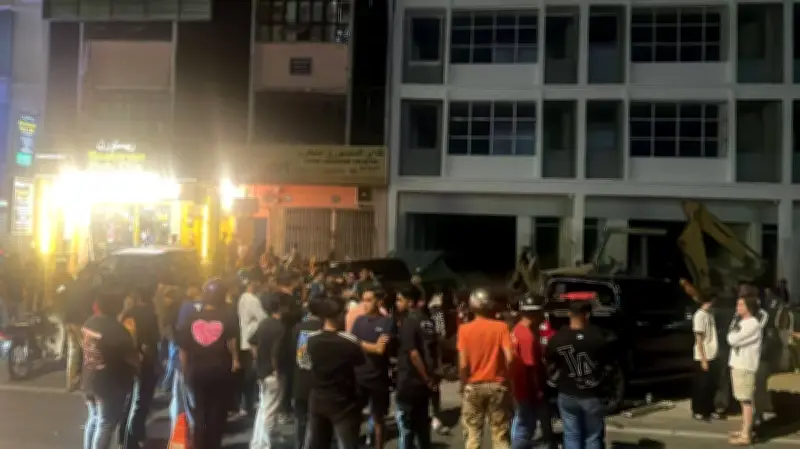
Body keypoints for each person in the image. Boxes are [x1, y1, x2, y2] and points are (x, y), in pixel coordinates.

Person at [305, 298, 388, 449]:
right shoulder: (349, 341)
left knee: (316, 443)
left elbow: (305, 363)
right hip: (343, 402)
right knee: (347, 443)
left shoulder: (310, 339)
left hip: (317, 399)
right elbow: (360, 361)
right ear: (338, 316)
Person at [177, 277, 240, 449]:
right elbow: (232, 342)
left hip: (197, 371)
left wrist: (185, 370)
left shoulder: (191, 318)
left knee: (200, 412)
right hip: (220, 371)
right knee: (217, 414)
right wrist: (235, 360)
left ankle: (200, 444)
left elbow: (183, 348)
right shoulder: (228, 316)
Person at [545, 300, 613, 449]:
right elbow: (608, 364)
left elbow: (550, 363)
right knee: (592, 436)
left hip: (567, 392)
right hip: (591, 393)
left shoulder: (557, 339)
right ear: (587, 315)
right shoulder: (598, 337)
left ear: (569, 314)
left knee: (571, 434)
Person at [82, 290, 139, 449]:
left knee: (93, 418)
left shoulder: (89, 322)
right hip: (109, 382)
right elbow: (131, 357)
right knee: (105, 423)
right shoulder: (117, 330)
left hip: (89, 377)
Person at [457, 288, 514, 449]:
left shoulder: (464, 330)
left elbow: (463, 364)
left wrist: (463, 383)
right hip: (497, 385)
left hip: (473, 385)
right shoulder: (501, 327)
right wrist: (507, 379)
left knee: (473, 434)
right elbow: (510, 358)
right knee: (500, 434)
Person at [394, 287, 439, 449]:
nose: (397, 303)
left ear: (410, 302)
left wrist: (425, 377)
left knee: (406, 428)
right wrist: (431, 377)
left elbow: (413, 354)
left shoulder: (408, 322)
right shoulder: (427, 321)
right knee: (422, 425)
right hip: (425, 382)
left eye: (400, 300)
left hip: (409, 380)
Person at [351, 289, 396, 449]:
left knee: (378, 418)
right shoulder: (358, 321)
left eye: (369, 300)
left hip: (378, 378)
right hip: (358, 376)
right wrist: (370, 346)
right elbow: (352, 343)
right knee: (354, 416)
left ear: (378, 301)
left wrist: (360, 343)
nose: (365, 304)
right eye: (363, 300)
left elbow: (380, 349)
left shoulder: (387, 321)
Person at [119, 287, 161, 449]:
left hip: (127, 361)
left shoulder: (127, 314)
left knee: (129, 401)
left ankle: (123, 436)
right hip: (144, 363)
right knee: (140, 403)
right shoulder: (149, 315)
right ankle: (131, 440)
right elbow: (150, 343)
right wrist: (155, 364)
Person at [511, 294, 554, 449]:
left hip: (518, 387)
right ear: (536, 313)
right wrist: (538, 391)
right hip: (526, 390)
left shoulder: (517, 330)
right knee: (525, 428)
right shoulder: (527, 337)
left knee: (520, 424)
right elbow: (530, 368)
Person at [250, 292, 288, 449]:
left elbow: (252, 342)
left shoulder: (264, 323)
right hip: (272, 373)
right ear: (281, 307)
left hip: (261, 371)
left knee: (263, 409)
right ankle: (264, 445)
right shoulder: (279, 327)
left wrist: (257, 359)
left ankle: (257, 443)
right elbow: (275, 353)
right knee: (270, 411)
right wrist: (276, 370)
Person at [726, 295, 766, 446]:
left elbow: (732, 339)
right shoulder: (742, 322)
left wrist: (733, 334)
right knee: (743, 400)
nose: (738, 308)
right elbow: (732, 336)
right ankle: (744, 428)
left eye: (741, 305)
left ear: (749, 307)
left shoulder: (752, 324)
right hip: (738, 364)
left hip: (745, 366)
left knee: (746, 401)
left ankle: (746, 435)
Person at [292, 298, 325, 449]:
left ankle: (299, 444)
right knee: (315, 419)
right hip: (318, 380)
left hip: (300, 378)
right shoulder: (325, 328)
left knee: (300, 418)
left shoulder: (297, 327)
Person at [238, 268, 268, 417]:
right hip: (252, 342)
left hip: (244, 339)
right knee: (251, 375)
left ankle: (246, 404)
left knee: (247, 375)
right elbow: (263, 319)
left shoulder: (242, 297)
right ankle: (248, 405)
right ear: (253, 282)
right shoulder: (253, 300)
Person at [691, 294, 719, 421]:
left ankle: (709, 409)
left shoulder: (710, 314)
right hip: (703, 356)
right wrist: (703, 359)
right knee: (701, 385)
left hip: (712, 354)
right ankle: (698, 410)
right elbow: (699, 340)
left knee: (710, 385)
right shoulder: (699, 316)